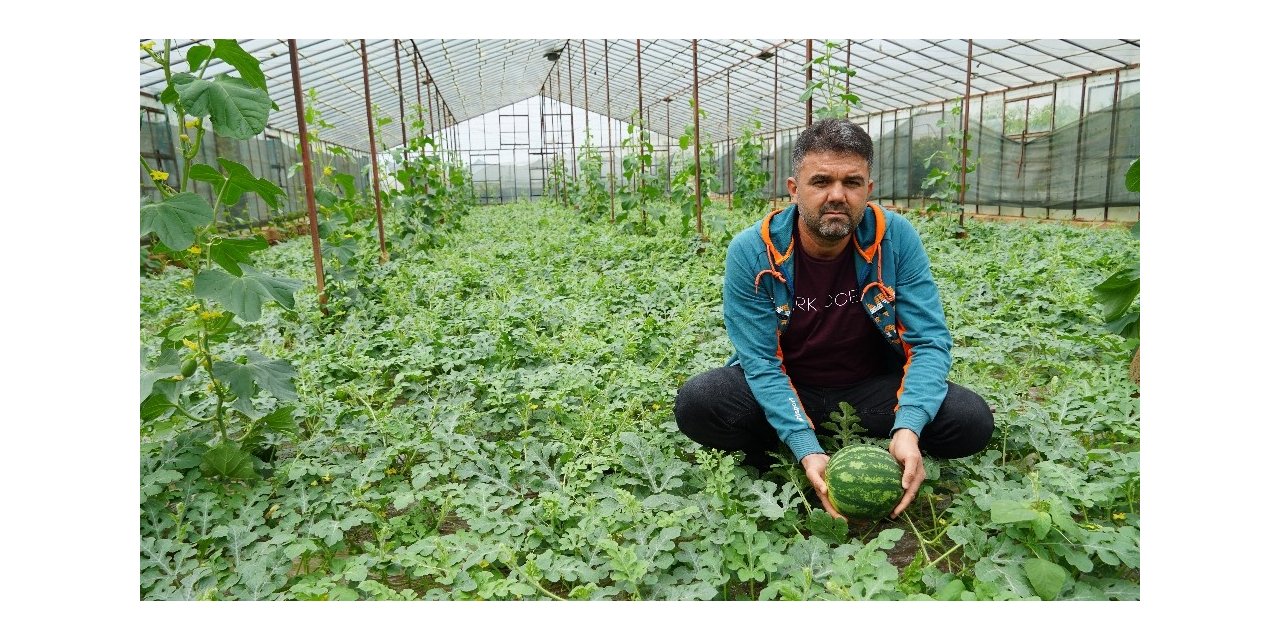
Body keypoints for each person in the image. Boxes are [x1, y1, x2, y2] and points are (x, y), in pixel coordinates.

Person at [674, 118, 994, 520]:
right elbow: (761, 363)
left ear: (868, 190)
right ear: (794, 189)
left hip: (870, 391)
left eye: (852, 183)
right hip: (791, 386)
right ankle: (796, 438)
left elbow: (929, 341)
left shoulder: (895, 237)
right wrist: (805, 445)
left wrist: (909, 427)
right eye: (821, 181)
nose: (837, 195)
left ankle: (888, 441)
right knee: (700, 402)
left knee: (969, 420)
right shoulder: (753, 251)